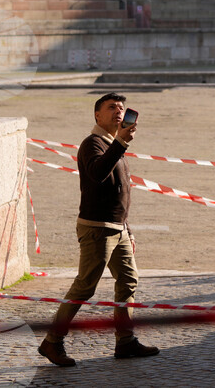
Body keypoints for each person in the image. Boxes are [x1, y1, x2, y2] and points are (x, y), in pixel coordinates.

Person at [37, 93, 159, 366]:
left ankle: (125, 341)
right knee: (85, 286)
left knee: (129, 280)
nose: (119, 112)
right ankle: (52, 342)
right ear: (97, 115)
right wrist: (120, 143)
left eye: (121, 108)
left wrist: (128, 229)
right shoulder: (92, 144)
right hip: (97, 228)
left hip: (118, 228)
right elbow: (97, 173)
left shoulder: (114, 144)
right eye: (111, 108)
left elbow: (120, 192)